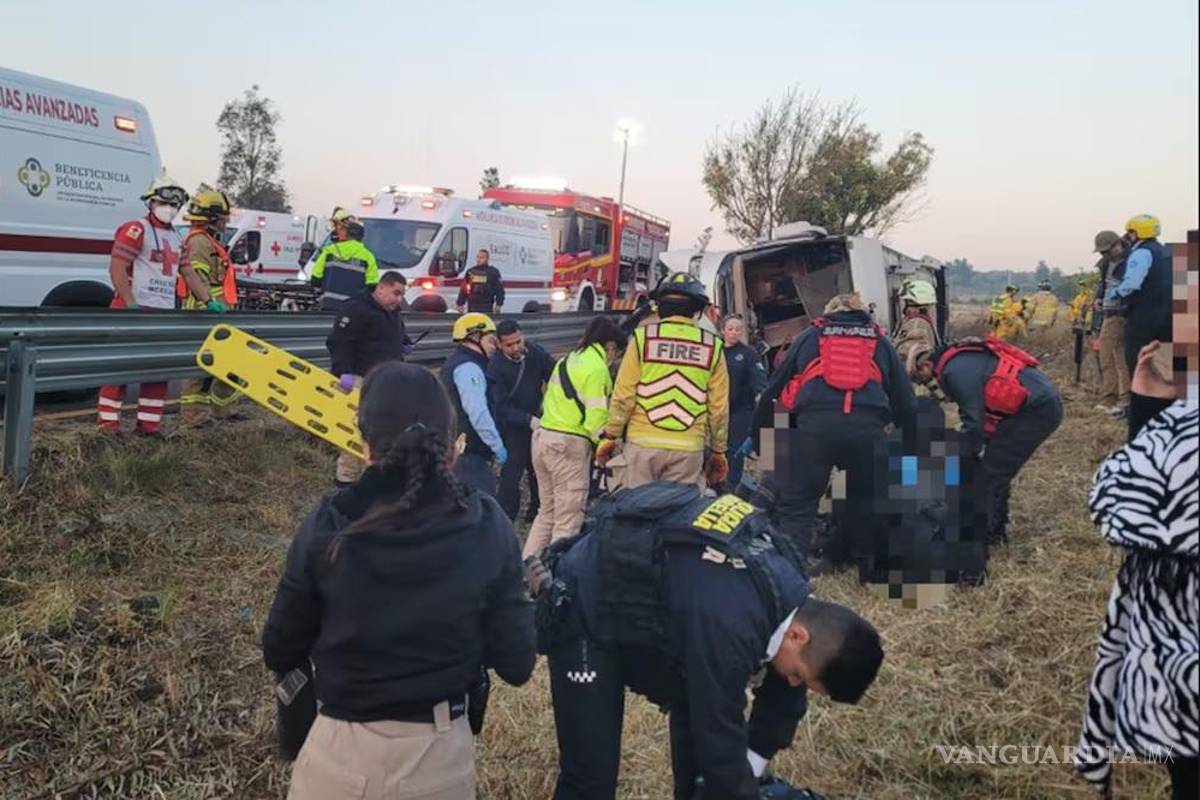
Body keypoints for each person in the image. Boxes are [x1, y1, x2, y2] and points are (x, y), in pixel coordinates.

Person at [261, 363, 536, 800]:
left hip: (339, 755)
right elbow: (517, 664)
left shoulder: (329, 521)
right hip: (438, 760)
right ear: (451, 446)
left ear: (365, 443)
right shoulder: (487, 524)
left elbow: (280, 646)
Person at [531, 481, 884, 800]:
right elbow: (719, 735)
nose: (793, 682)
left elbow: (781, 702)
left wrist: (753, 764)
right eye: (799, 676)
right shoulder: (731, 623)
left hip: (670, 606)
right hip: (586, 605)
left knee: (701, 754)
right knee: (590, 779)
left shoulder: (793, 596)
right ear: (798, 635)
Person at [751, 293, 917, 563]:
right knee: (865, 498)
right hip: (866, 431)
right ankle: (860, 562)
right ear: (863, 315)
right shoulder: (880, 342)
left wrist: (760, 438)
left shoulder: (810, 336)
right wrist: (906, 443)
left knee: (800, 502)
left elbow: (773, 389)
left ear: (829, 313)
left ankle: (792, 567)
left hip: (814, 430)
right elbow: (906, 400)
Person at [909, 336, 1062, 544]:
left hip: (1036, 409)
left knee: (989, 474)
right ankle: (995, 529)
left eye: (920, 379)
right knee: (994, 464)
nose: (926, 385)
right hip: (1036, 401)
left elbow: (974, 424)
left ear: (926, 365)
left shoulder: (953, 372)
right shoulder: (959, 360)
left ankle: (984, 536)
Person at [597, 272, 730, 491]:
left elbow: (624, 395)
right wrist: (718, 450)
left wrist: (611, 435)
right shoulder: (713, 347)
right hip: (688, 449)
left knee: (636, 506)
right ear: (696, 310)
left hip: (642, 444)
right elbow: (719, 409)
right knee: (680, 509)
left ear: (659, 306)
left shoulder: (642, 339)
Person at [524, 316, 626, 560]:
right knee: (568, 520)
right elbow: (595, 420)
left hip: (542, 438)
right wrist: (610, 447)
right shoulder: (597, 369)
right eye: (616, 354)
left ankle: (526, 568)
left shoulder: (568, 359)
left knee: (547, 512)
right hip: (567, 447)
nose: (614, 360)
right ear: (610, 346)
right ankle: (555, 574)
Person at [96, 174, 188, 436]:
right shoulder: (136, 229)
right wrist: (129, 303)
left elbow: (188, 272)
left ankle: (148, 427)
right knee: (118, 369)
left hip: (162, 313)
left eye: (174, 205)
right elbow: (117, 267)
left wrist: (209, 300)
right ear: (151, 202)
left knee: (157, 372)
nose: (169, 209)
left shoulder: (177, 238)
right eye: (164, 203)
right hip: (133, 309)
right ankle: (108, 427)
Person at [326, 272, 414, 486]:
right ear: (381, 288)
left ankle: (372, 477)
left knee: (380, 431)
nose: (399, 299)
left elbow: (395, 333)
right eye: (396, 293)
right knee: (355, 431)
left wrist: (404, 342)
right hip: (359, 379)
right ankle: (345, 481)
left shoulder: (392, 312)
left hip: (386, 381)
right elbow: (339, 341)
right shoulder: (356, 308)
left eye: (402, 294)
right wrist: (343, 371)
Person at [178, 188, 242, 428]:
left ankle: (224, 411)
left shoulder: (209, 241)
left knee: (226, 363)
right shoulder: (198, 242)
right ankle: (194, 418)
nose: (226, 222)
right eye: (224, 217)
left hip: (218, 312)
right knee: (201, 370)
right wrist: (207, 305)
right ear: (212, 218)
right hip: (204, 313)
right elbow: (197, 278)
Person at [1107, 214, 1173, 439]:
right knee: (1164, 370)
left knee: (1138, 367)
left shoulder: (1141, 253)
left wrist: (1114, 293)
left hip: (1144, 319)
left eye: (1130, 233)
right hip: (1169, 320)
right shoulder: (1167, 253)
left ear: (1135, 233)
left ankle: (1138, 424)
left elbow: (1132, 284)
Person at [487, 319, 555, 522]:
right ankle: (506, 516)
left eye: (519, 341)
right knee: (511, 474)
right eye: (510, 344)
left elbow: (555, 375)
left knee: (539, 470)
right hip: (512, 428)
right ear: (499, 345)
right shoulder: (495, 366)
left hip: (537, 420)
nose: (516, 347)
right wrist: (527, 420)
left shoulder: (535, 353)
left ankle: (538, 510)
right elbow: (500, 407)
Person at [440, 312, 506, 495]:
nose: (494, 347)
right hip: (470, 453)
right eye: (491, 340)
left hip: (457, 447)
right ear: (475, 337)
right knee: (479, 502)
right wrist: (496, 445)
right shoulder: (469, 368)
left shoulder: (455, 363)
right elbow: (477, 412)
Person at [721, 314, 766, 488]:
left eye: (738, 329)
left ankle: (731, 487)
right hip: (718, 408)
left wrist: (761, 393)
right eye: (730, 329)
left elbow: (759, 377)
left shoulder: (748, 354)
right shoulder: (716, 351)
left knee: (735, 450)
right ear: (723, 330)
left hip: (741, 409)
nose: (734, 332)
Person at [1092, 230, 1131, 417]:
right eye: (1102, 252)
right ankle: (1123, 400)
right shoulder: (1107, 263)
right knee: (1119, 358)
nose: (1104, 255)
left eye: (1106, 251)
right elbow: (1104, 284)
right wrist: (1099, 298)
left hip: (1120, 313)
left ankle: (1111, 399)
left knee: (1107, 356)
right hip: (1109, 312)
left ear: (1117, 245)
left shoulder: (1132, 260)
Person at [311, 208, 381, 310]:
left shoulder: (329, 251)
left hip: (328, 307)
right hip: (354, 310)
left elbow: (315, 279)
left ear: (347, 233)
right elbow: (372, 286)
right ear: (361, 237)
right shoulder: (368, 257)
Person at [892, 279, 941, 366]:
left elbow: (908, 354)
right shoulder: (922, 321)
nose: (905, 308)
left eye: (907, 302)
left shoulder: (917, 324)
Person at [455, 249, 505, 314]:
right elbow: (463, 289)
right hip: (472, 306)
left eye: (482, 257)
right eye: (478, 257)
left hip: (487, 305)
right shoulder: (470, 272)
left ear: (487, 259)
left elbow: (500, 290)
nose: (479, 259)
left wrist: (499, 304)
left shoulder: (493, 272)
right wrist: (460, 303)